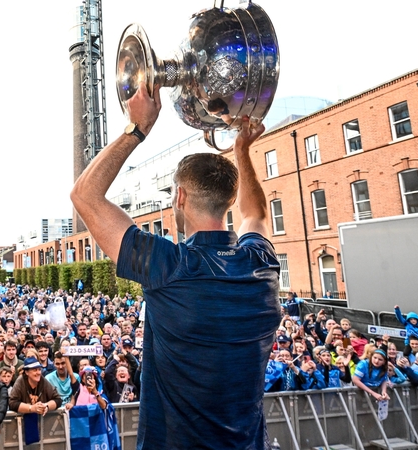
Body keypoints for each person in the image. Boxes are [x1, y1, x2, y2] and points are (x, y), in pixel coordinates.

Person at [70, 81, 280, 448]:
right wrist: (243, 150)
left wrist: (136, 128)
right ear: (229, 199)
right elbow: (257, 213)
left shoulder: (168, 265)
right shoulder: (260, 262)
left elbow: (83, 195)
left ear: (179, 197)